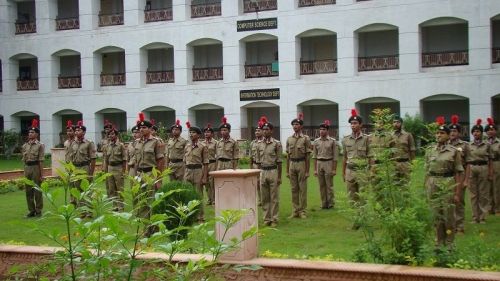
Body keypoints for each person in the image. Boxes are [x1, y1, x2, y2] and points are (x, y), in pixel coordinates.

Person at [425, 116, 463, 248]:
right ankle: (439, 241)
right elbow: (427, 171)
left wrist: (457, 193)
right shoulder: (430, 150)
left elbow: (458, 172)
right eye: (437, 133)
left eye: (442, 133)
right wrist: (426, 187)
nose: (438, 135)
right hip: (433, 182)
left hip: (447, 182)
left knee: (448, 214)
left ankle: (450, 242)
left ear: (448, 136)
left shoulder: (453, 152)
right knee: (436, 213)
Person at [134, 113, 165, 226]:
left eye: (144, 127)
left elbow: (160, 161)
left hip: (150, 174)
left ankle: (154, 226)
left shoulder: (156, 142)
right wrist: (135, 176)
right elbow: (136, 160)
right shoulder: (137, 142)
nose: (141, 130)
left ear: (150, 129)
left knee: (151, 201)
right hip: (140, 174)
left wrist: (159, 179)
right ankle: (146, 226)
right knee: (142, 201)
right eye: (140, 128)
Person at [256, 117, 282, 227]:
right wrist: (257, 174)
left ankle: (274, 219)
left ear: (271, 131)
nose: (265, 131)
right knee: (265, 197)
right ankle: (266, 219)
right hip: (263, 171)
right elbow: (257, 161)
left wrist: (279, 177)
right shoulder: (258, 144)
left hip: (273, 171)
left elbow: (280, 161)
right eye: (263, 129)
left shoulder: (276, 144)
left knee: (274, 197)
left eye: (267, 129)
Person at [467, 119, 493, 224]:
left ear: (482, 133)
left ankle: (482, 217)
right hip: (472, 167)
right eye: (474, 131)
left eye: (478, 131)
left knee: (483, 193)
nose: (475, 133)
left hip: (483, 168)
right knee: (473, 194)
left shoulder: (487, 145)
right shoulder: (468, 145)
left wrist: (490, 173)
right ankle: (475, 217)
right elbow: (466, 161)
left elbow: (490, 160)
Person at [342, 109, 370, 205]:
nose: (353, 125)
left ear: (361, 125)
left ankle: (363, 216)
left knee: (363, 196)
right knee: (351, 196)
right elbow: (344, 158)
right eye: (351, 123)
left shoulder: (367, 139)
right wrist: (343, 172)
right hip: (350, 170)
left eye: (355, 123)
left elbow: (370, 157)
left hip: (362, 171)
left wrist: (371, 171)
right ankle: (354, 217)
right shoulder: (346, 139)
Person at [286, 113, 311, 219]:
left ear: (301, 126)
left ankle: (303, 211)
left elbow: (307, 156)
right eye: (293, 124)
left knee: (302, 188)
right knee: (294, 188)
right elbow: (287, 156)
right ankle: (295, 210)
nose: (295, 126)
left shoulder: (305, 139)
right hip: (292, 163)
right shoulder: (289, 139)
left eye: (297, 124)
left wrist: (307, 170)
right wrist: (287, 170)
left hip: (301, 164)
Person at [448, 115, 470, 234]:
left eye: (455, 131)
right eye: (451, 130)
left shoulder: (465, 145)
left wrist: (466, 180)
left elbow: (469, 164)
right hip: (448, 176)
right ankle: (451, 224)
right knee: (448, 200)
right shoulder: (445, 144)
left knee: (459, 200)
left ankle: (460, 226)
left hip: (460, 175)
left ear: (459, 133)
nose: (452, 133)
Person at [70, 121, 97, 215]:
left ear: (84, 132)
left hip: (85, 167)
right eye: (76, 130)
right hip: (76, 168)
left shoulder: (89, 143)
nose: (77, 132)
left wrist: (91, 173)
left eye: (79, 130)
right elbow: (71, 157)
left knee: (87, 190)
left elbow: (93, 159)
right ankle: (82, 210)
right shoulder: (73, 143)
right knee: (78, 190)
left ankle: (89, 211)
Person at [184, 122, 209, 222]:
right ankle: (190, 215)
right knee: (188, 194)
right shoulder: (187, 146)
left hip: (198, 170)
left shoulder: (203, 146)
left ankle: (200, 217)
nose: (191, 134)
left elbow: (206, 163)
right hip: (188, 171)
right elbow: (184, 161)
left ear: (198, 135)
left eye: (193, 132)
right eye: (190, 132)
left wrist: (204, 177)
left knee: (198, 195)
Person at [312, 120, 338, 209]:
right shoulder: (316, 141)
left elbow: (335, 157)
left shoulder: (332, 141)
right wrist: (315, 169)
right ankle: (323, 203)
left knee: (329, 185)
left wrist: (334, 169)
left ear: (327, 131)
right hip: (319, 163)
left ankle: (330, 204)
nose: (321, 131)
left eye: (323, 129)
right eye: (320, 129)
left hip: (328, 162)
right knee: (321, 185)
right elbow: (314, 156)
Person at [22, 119, 45, 218]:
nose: (30, 134)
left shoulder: (40, 145)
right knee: (28, 190)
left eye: (32, 132)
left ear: (37, 134)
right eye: (29, 132)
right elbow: (24, 159)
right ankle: (31, 210)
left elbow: (41, 160)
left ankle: (38, 210)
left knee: (37, 190)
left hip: (36, 167)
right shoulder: (25, 145)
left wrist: (41, 174)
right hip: (27, 168)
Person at [103, 126, 126, 211]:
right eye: (109, 134)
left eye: (112, 134)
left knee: (119, 188)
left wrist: (123, 171)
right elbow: (106, 159)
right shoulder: (107, 146)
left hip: (118, 167)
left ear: (116, 135)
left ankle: (121, 206)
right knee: (111, 188)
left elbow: (124, 159)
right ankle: (114, 206)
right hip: (110, 168)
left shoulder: (121, 146)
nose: (110, 135)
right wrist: (105, 170)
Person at [392, 115, 416, 182]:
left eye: (398, 122)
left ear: (401, 123)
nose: (396, 124)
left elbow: (412, 150)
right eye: (394, 122)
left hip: (405, 163)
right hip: (394, 164)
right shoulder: (390, 136)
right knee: (394, 185)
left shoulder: (408, 135)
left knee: (405, 185)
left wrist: (412, 164)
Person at [485, 117, 500, 215]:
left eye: (492, 130)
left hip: (496, 164)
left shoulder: (499, 142)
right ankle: (490, 207)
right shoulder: (483, 142)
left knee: (497, 187)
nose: (490, 132)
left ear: (496, 131)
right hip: (485, 165)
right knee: (487, 187)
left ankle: (498, 208)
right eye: (488, 130)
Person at [201, 123, 217, 205]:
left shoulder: (215, 143)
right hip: (204, 165)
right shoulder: (202, 143)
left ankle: (214, 199)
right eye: (205, 132)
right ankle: (209, 198)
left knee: (212, 182)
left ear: (212, 133)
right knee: (205, 182)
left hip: (212, 163)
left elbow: (217, 155)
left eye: (208, 132)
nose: (206, 133)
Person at [250, 119, 264, 206]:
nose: (257, 132)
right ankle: (259, 199)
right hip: (255, 165)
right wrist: (251, 167)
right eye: (256, 130)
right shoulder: (253, 143)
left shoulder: (264, 142)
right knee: (257, 183)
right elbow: (251, 156)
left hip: (263, 165)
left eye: (259, 130)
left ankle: (264, 199)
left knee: (263, 183)